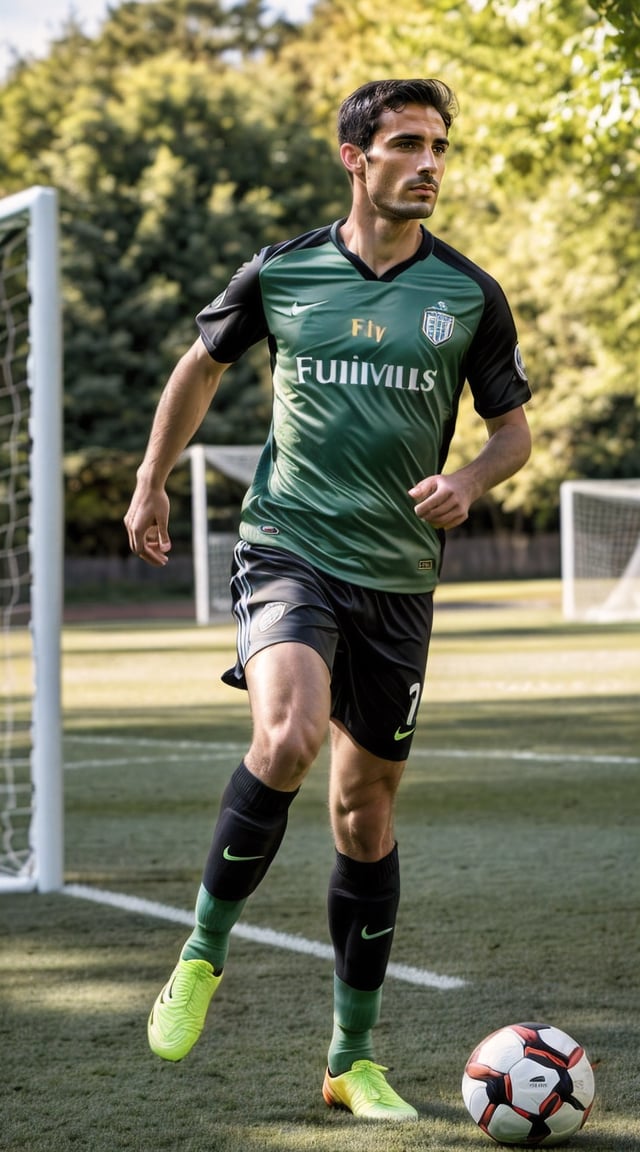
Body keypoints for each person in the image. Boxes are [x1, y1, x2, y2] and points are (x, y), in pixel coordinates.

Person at [124, 77, 531, 1121]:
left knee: (364, 811)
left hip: (398, 578)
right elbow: (197, 369)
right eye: (407, 144)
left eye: (440, 145)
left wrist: (470, 482)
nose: (430, 162)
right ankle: (202, 954)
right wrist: (149, 480)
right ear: (357, 157)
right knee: (290, 735)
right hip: (289, 546)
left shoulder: (468, 294)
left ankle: (351, 1061)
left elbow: (511, 431)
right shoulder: (284, 269)